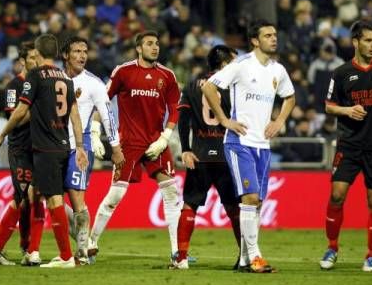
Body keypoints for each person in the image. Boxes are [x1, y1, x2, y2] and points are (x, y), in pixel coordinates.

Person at [202, 21, 296, 273]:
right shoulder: (241, 65)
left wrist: (279, 121)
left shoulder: (278, 70)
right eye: (267, 35)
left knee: (257, 203)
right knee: (250, 198)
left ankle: (244, 260)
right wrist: (224, 120)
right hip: (239, 142)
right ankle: (255, 258)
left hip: (263, 146)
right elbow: (209, 86)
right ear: (255, 41)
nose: (273, 39)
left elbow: (290, 97)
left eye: (275, 34)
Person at [319, 20, 372, 272]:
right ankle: (332, 247)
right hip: (349, 145)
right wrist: (347, 110)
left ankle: (371, 255)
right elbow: (328, 105)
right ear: (355, 42)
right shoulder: (342, 72)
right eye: (368, 40)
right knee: (336, 195)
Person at [0, 34, 88, 268]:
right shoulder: (66, 79)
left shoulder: (36, 76)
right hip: (63, 146)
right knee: (39, 197)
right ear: (57, 53)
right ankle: (32, 250)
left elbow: (19, 111)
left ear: (37, 52)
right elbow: (75, 116)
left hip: (43, 148)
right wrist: (79, 146)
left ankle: (65, 256)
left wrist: (3, 132)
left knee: (52, 201)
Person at [88, 30, 181, 263]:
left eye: (157, 43)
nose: (155, 47)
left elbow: (175, 108)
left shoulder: (167, 76)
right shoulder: (124, 71)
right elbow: (103, 99)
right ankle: (91, 242)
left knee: (171, 192)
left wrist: (165, 137)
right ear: (139, 48)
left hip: (156, 143)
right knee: (116, 194)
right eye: (149, 43)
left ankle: (178, 252)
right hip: (128, 142)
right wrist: (95, 131)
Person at [170, 45, 242, 270]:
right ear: (224, 64)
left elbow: (183, 119)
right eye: (233, 61)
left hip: (199, 154)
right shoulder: (233, 86)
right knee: (234, 208)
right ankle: (245, 255)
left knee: (190, 205)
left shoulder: (192, 85)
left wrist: (186, 149)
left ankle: (181, 257)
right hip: (226, 154)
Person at [61, 36, 124, 264]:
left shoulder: (94, 83)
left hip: (80, 147)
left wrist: (114, 147)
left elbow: (108, 117)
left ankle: (81, 253)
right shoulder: (54, 79)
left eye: (84, 51)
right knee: (49, 197)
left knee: (77, 199)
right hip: (53, 145)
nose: (82, 55)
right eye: (76, 51)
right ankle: (84, 242)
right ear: (66, 55)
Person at [0, 42, 38, 265]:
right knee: (24, 198)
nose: (37, 61)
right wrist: (38, 108)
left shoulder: (42, 84)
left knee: (31, 199)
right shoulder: (13, 86)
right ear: (23, 61)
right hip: (20, 149)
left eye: (39, 57)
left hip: (40, 149)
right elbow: (13, 119)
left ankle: (26, 249)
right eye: (33, 58)